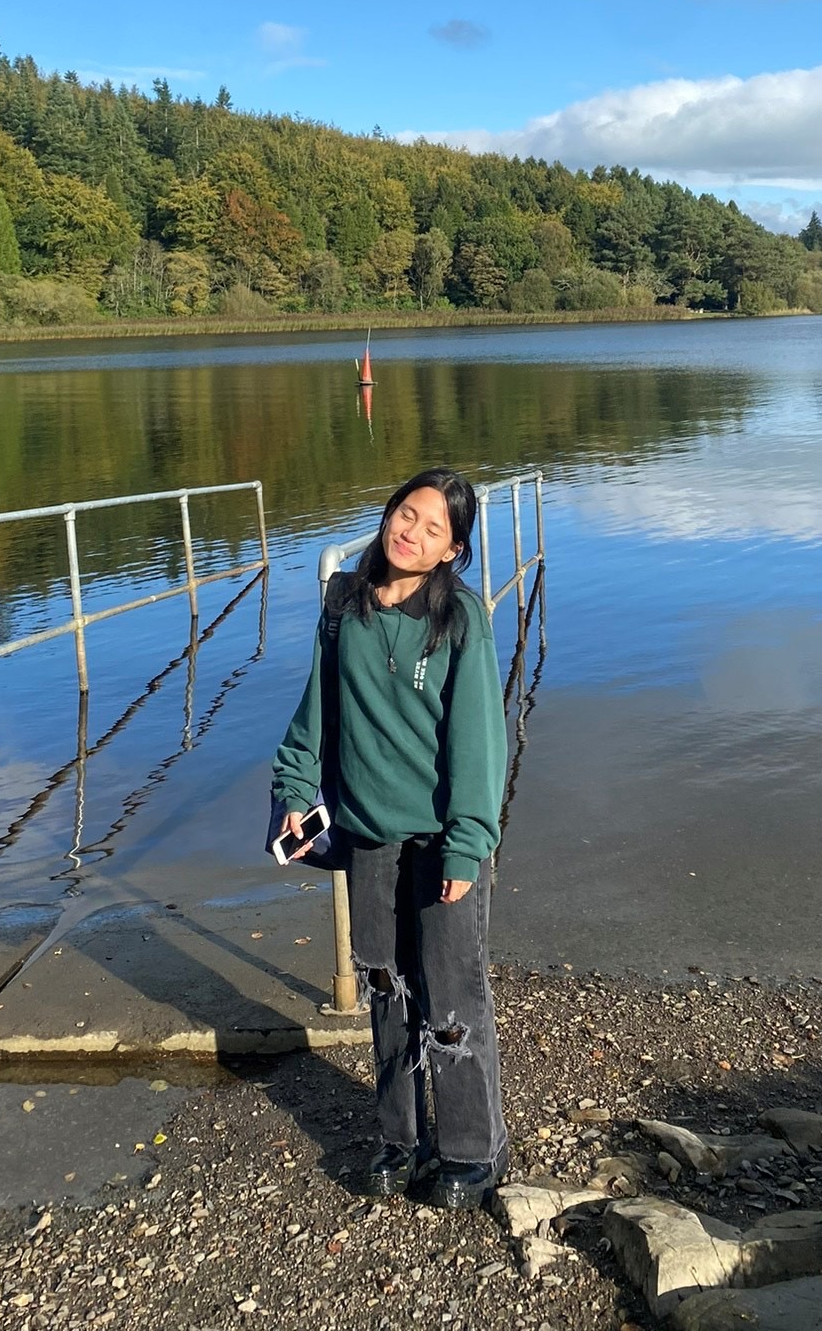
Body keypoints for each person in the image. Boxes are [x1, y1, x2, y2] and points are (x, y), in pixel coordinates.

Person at [272, 468, 510, 1209]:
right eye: (406, 514)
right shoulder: (343, 603)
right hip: (369, 833)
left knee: (452, 996)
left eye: (432, 528)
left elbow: (479, 740)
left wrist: (470, 843)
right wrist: (292, 788)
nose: (410, 532)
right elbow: (317, 706)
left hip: (442, 841)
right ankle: (399, 1139)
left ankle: (473, 1149)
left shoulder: (460, 620)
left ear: (452, 550)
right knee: (385, 985)